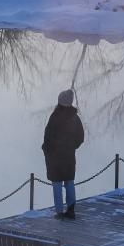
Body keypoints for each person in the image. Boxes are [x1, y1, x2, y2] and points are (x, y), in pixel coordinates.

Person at [42, 89, 85, 220]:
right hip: (69, 156)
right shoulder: (75, 117)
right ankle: (71, 210)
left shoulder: (55, 116)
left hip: (55, 157)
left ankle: (59, 212)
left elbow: (48, 136)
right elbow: (81, 137)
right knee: (69, 182)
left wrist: (47, 150)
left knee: (56, 184)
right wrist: (72, 147)